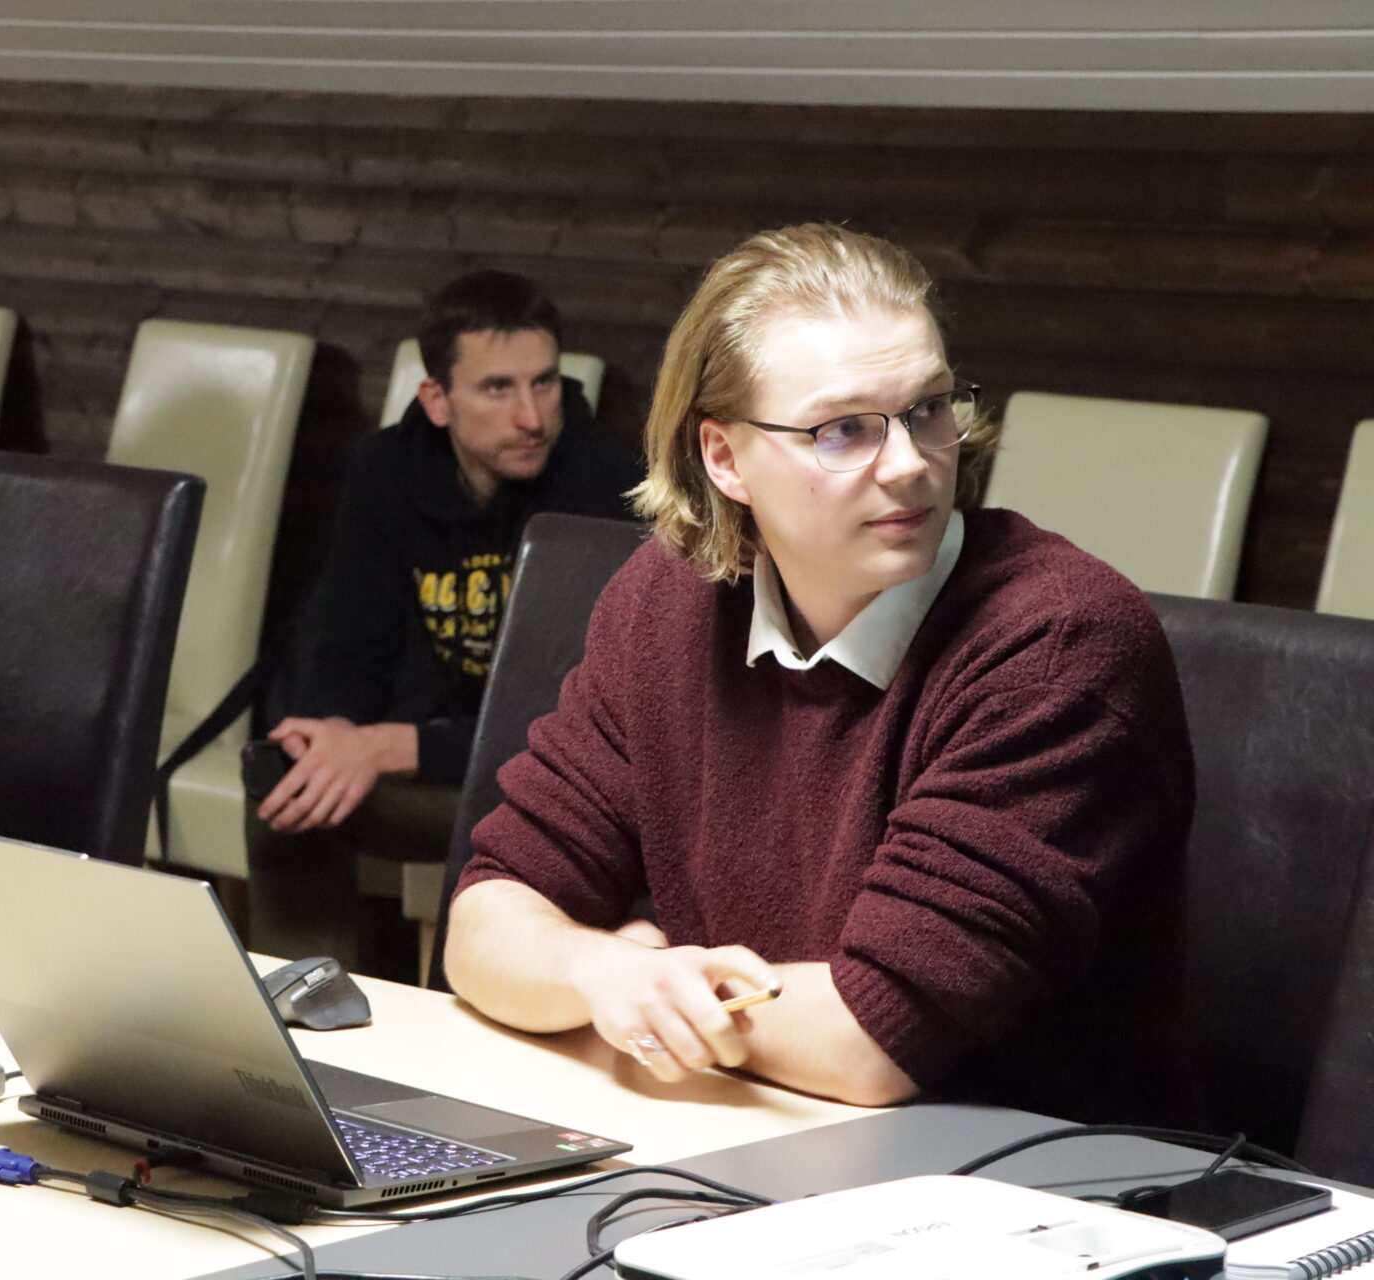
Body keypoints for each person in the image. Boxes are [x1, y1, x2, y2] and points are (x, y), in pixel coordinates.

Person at [444, 224, 1196, 1124]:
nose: (912, 465)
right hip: (743, 1131)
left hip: (1012, 1176)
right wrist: (603, 971)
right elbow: (487, 919)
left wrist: (653, 998)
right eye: (844, 430)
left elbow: (871, 1041)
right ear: (724, 458)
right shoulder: (665, 601)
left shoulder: (1059, 641)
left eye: (929, 408)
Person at [246, 270, 642, 972]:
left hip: (544, 779)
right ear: (437, 400)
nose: (531, 417)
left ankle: (471, 1003)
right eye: (498, 389)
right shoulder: (387, 471)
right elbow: (348, 644)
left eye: (544, 383)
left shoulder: (601, 484)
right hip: (438, 757)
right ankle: (307, 1006)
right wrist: (334, 732)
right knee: (287, 778)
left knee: (510, 816)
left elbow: (565, 719)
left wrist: (389, 747)